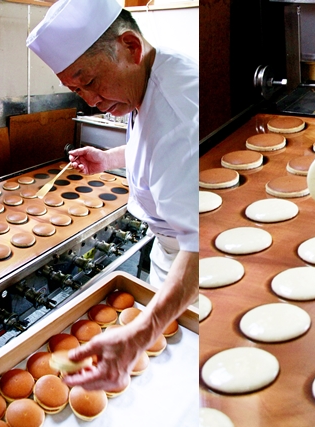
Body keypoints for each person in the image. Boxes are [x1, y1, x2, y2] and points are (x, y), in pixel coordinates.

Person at [26, 0, 199, 391]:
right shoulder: (152, 73)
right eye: (74, 89)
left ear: (129, 47)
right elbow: (153, 148)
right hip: (170, 253)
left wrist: (141, 332)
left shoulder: (180, 111)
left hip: (195, 275)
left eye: (88, 81)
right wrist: (108, 158)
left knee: (184, 380)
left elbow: (202, 245)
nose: (88, 100)